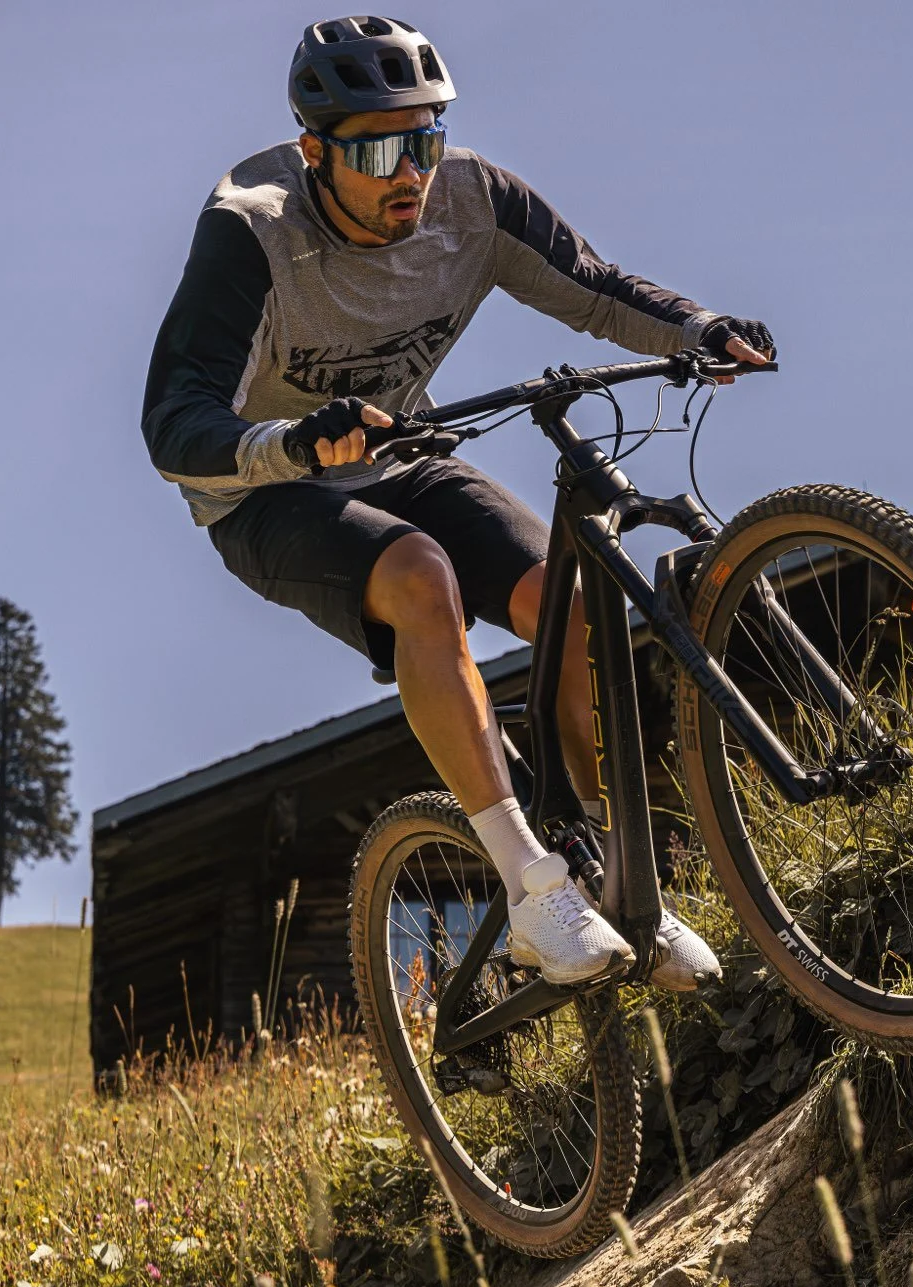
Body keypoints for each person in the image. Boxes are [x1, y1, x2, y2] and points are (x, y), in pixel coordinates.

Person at [142, 15, 770, 989]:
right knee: (419, 577)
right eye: (382, 147)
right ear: (316, 151)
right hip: (263, 490)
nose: (412, 172)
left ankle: (617, 879)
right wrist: (292, 440)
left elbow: (590, 284)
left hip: (404, 448)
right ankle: (531, 886)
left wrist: (698, 325)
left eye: (425, 137)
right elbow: (174, 421)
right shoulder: (253, 228)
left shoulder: (474, 201)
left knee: (567, 600)